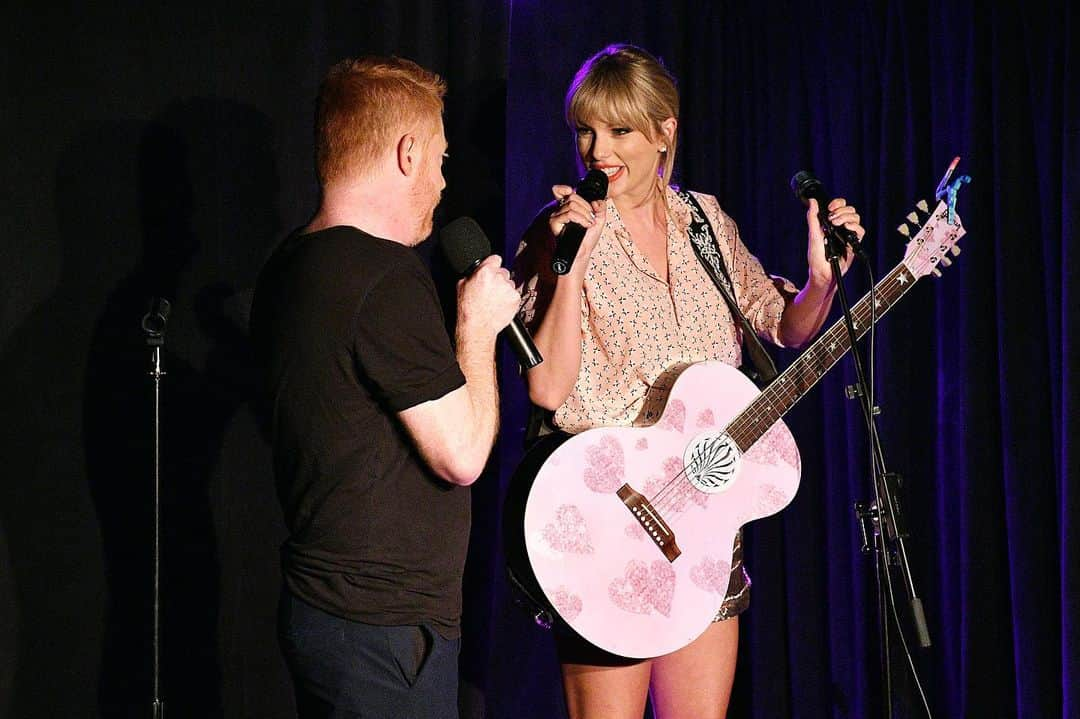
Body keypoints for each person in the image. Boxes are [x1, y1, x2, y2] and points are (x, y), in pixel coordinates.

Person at [513, 44, 864, 719]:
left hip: (701, 533)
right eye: (586, 130)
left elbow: (783, 325)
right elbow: (547, 390)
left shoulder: (704, 221)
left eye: (619, 131)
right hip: (608, 525)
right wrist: (573, 269)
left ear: (664, 131)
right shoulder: (557, 229)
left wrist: (821, 281)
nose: (596, 149)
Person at [250, 56, 519, 719]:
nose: (442, 181)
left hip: (326, 611)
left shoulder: (293, 261)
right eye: (439, 158)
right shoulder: (384, 277)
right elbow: (460, 454)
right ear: (406, 153)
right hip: (383, 631)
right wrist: (477, 328)